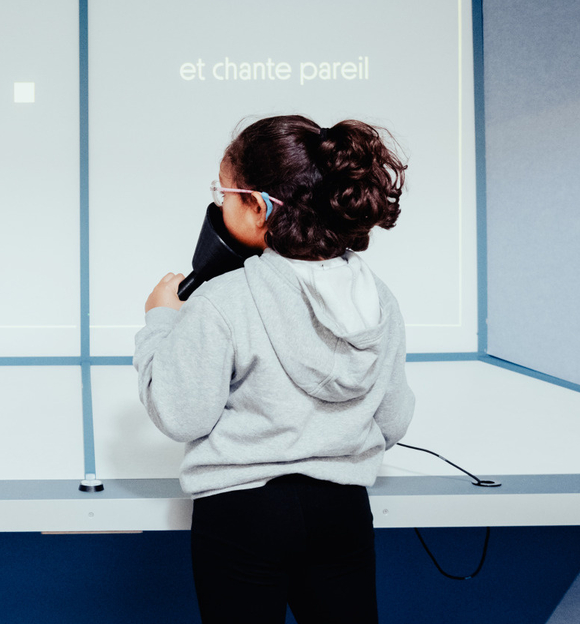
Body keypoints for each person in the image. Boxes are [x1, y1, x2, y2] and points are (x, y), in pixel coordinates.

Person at [135, 115, 415, 624]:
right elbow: (393, 420)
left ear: (259, 206)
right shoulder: (379, 299)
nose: (218, 203)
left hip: (241, 517)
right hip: (342, 511)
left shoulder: (224, 299)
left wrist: (160, 322)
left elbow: (181, 415)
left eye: (224, 193)